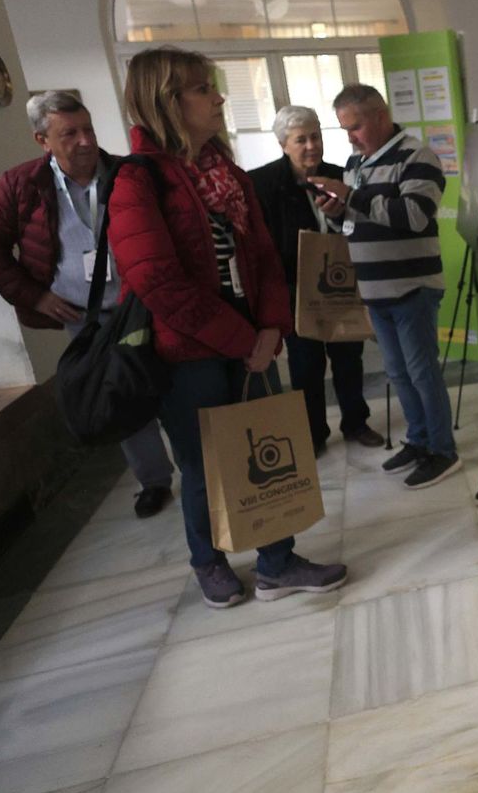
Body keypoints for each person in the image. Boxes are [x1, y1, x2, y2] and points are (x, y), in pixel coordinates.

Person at [109, 46, 348, 608]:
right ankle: (208, 561)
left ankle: (276, 561)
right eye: (202, 88)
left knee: (263, 443)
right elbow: (158, 282)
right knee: (201, 464)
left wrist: (269, 327)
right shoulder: (137, 180)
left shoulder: (226, 174)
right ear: (168, 100)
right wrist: (247, 340)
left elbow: (263, 257)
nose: (218, 97)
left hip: (251, 342)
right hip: (187, 352)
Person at [0, 91, 174, 519]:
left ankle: (199, 462)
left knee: (169, 384)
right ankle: (153, 480)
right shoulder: (21, 185)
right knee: (120, 394)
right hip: (86, 317)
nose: (84, 141)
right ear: (42, 140)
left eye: (88, 129)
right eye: (69, 133)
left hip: (142, 304)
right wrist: (34, 295)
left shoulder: (127, 174)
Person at [311, 85, 459, 489]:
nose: (350, 137)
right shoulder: (355, 162)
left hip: (412, 287)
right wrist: (336, 212)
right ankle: (419, 439)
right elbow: (352, 225)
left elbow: (414, 215)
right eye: (344, 129)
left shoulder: (418, 156)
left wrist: (352, 198)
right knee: (398, 372)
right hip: (375, 290)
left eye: (355, 126)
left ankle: (443, 451)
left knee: (422, 372)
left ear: (379, 115)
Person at [248, 105, 383, 455]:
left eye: (316, 136)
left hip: (340, 286)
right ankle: (313, 433)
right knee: (306, 366)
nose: (311, 145)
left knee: (348, 358)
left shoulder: (341, 176)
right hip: (295, 291)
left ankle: (356, 422)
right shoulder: (262, 184)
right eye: (301, 139)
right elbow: (259, 244)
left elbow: (359, 228)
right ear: (283, 144)